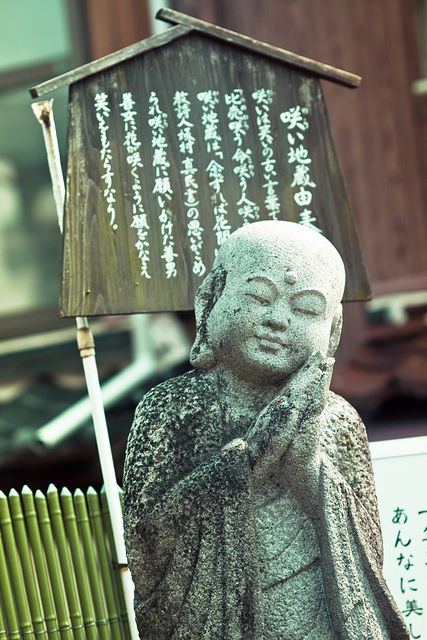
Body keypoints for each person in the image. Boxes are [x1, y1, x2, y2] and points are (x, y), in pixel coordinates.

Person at [123, 221, 409, 639]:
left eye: (306, 309)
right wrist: (248, 461)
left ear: (332, 330)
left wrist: (309, 471)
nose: (278, 320)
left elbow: (369, 555)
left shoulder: (338, 419)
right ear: (210, 300)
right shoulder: (172, 408)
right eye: (258, 297)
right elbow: (146, 545)